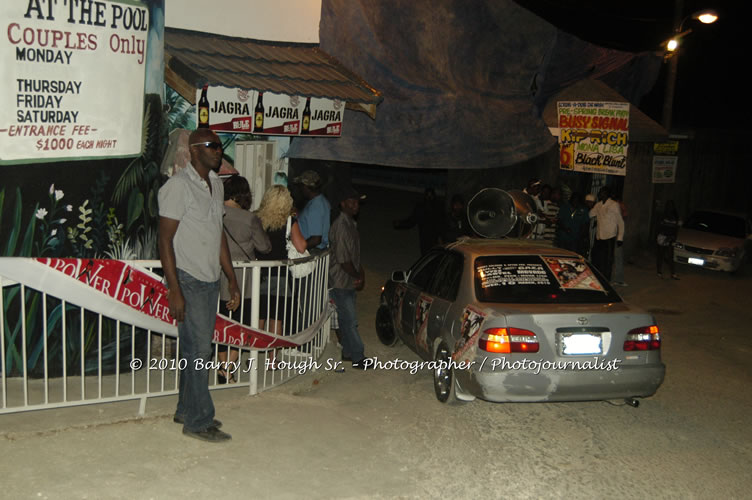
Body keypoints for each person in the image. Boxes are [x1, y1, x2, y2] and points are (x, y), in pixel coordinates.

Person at [158, 128, 239, 443]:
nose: (218, 150)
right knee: (200, 352)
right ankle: (198, 420)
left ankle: (185, 409)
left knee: (193, 350)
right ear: (193, 150)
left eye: (219, 146)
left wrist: (231, 278)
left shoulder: (216, 185)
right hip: (188, 278)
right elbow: (164, 239)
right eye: (211, 145)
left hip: (209, 279)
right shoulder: (178, 186)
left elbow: (218, 233)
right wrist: (173, 288)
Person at [216, 175, 271, 382]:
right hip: (245, 279)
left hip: (219, 273)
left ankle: (223, 366)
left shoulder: (215, 213)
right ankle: (229, 367)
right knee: (243, 322)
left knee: (221, 321)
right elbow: (264, 247)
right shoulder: (249, 219)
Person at [256, 186, 307, 365]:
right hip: (281, 275)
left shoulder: (256, 218)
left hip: (259, 273)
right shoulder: (289, 222)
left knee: (259, 314)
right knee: (276, 317)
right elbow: (301, 247)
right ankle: (272, 359)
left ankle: (255, 355)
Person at [329, 186, 368, 369]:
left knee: (346, 319)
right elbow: (344, 260)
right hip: (341, 280)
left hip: (345, 279)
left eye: (357, 202)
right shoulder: (341, 226)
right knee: (351, 321)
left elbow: (353, 256)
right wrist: (357, 275)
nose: (355, 206)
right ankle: (358, 357)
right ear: (342, 204)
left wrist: (359, 273)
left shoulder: (350, 224)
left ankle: (347, 352)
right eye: (351, 202)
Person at [393, 187, 443, 254]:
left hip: (435, 238)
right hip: (424, 237)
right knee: (425, 255)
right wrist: (400, 224)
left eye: (431, 196)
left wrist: (440, 237)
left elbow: (441, 223)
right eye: (427, 196)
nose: (429, 198)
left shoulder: (438, 208)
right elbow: (412, 221)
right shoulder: (420, 208)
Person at [589, 186, 624, 281]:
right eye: (600, 192)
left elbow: (620, 222)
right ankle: (598, 279)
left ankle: (606, 281)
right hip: (599, 237)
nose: (599, 193)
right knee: (596, 259)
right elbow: (590, 214)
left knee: (607, 261)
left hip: (609, 237)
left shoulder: (614, 205)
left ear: (607, 194)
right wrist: (590, 204)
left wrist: (620, 238)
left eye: (601, 192)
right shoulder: (599, 204)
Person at [293, 170, 330, 254]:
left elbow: (316, 239)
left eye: (301, 186)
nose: (300, 189)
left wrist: (299, 249)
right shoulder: (320, 201)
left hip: (312, 251)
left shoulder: (316, 207)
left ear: (306, 187)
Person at [656, 200, 680, 280]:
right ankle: (659, 272)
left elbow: (676, 229)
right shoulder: (663, 215)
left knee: (670, 256)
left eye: (671, 206)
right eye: (668, 206)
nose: (670, 207)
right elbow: (659, 227)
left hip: (670, 238)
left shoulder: (675, 216)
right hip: (663, 237)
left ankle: (673, 273)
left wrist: (673, 237)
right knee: (661, 255)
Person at [611, 193, 628, 286]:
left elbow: (623, 219)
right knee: (615, 257)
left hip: (617, 234)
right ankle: (616, 279)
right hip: (611, 233)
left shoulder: (619, 206)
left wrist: (620, 238)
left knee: (617, 256)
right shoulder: (615, 206)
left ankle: (618, 279)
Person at [584, 193, 597, 259]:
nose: (590, 204)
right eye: (588, 202)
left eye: (591, 202)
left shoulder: (595, 210)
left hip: (593, 234)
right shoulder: (584, 210)